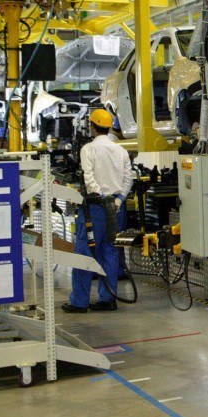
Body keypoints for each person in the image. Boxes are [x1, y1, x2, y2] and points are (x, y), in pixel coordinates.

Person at [62, 109, 132, 313]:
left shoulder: (88, 149)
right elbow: (128, 179)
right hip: (116, 209)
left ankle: (79, 302)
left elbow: (89, 178)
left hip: (95, 209)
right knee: (110, 252)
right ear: (109, 126)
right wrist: (117, 201)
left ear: (92, 126)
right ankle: (107, 299)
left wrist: (100, 197)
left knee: (85, 252)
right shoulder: (121, 151)